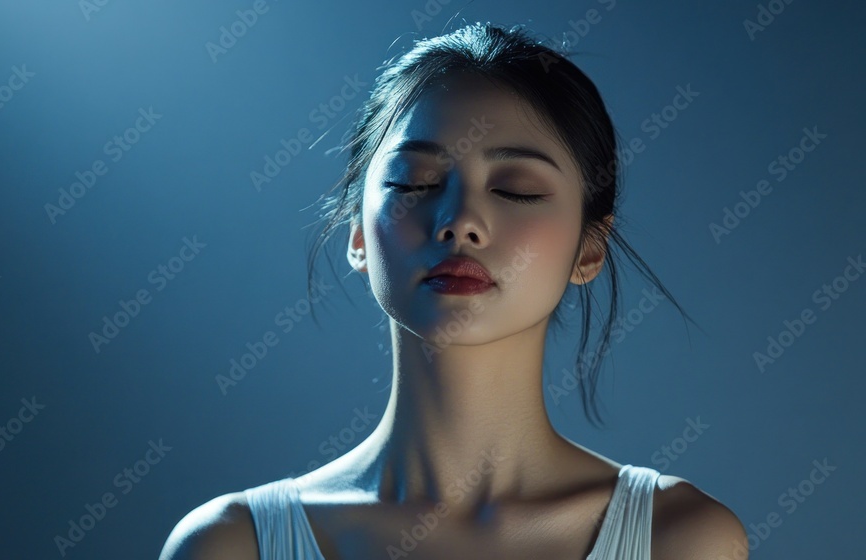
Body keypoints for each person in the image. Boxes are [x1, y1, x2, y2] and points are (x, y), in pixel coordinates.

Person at [160, 21, 748, 560]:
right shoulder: (231, 546)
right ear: (359, 235)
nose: (460, 220)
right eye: (416, 182)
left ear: (589, 248)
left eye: (516, 189)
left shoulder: (679, 539)